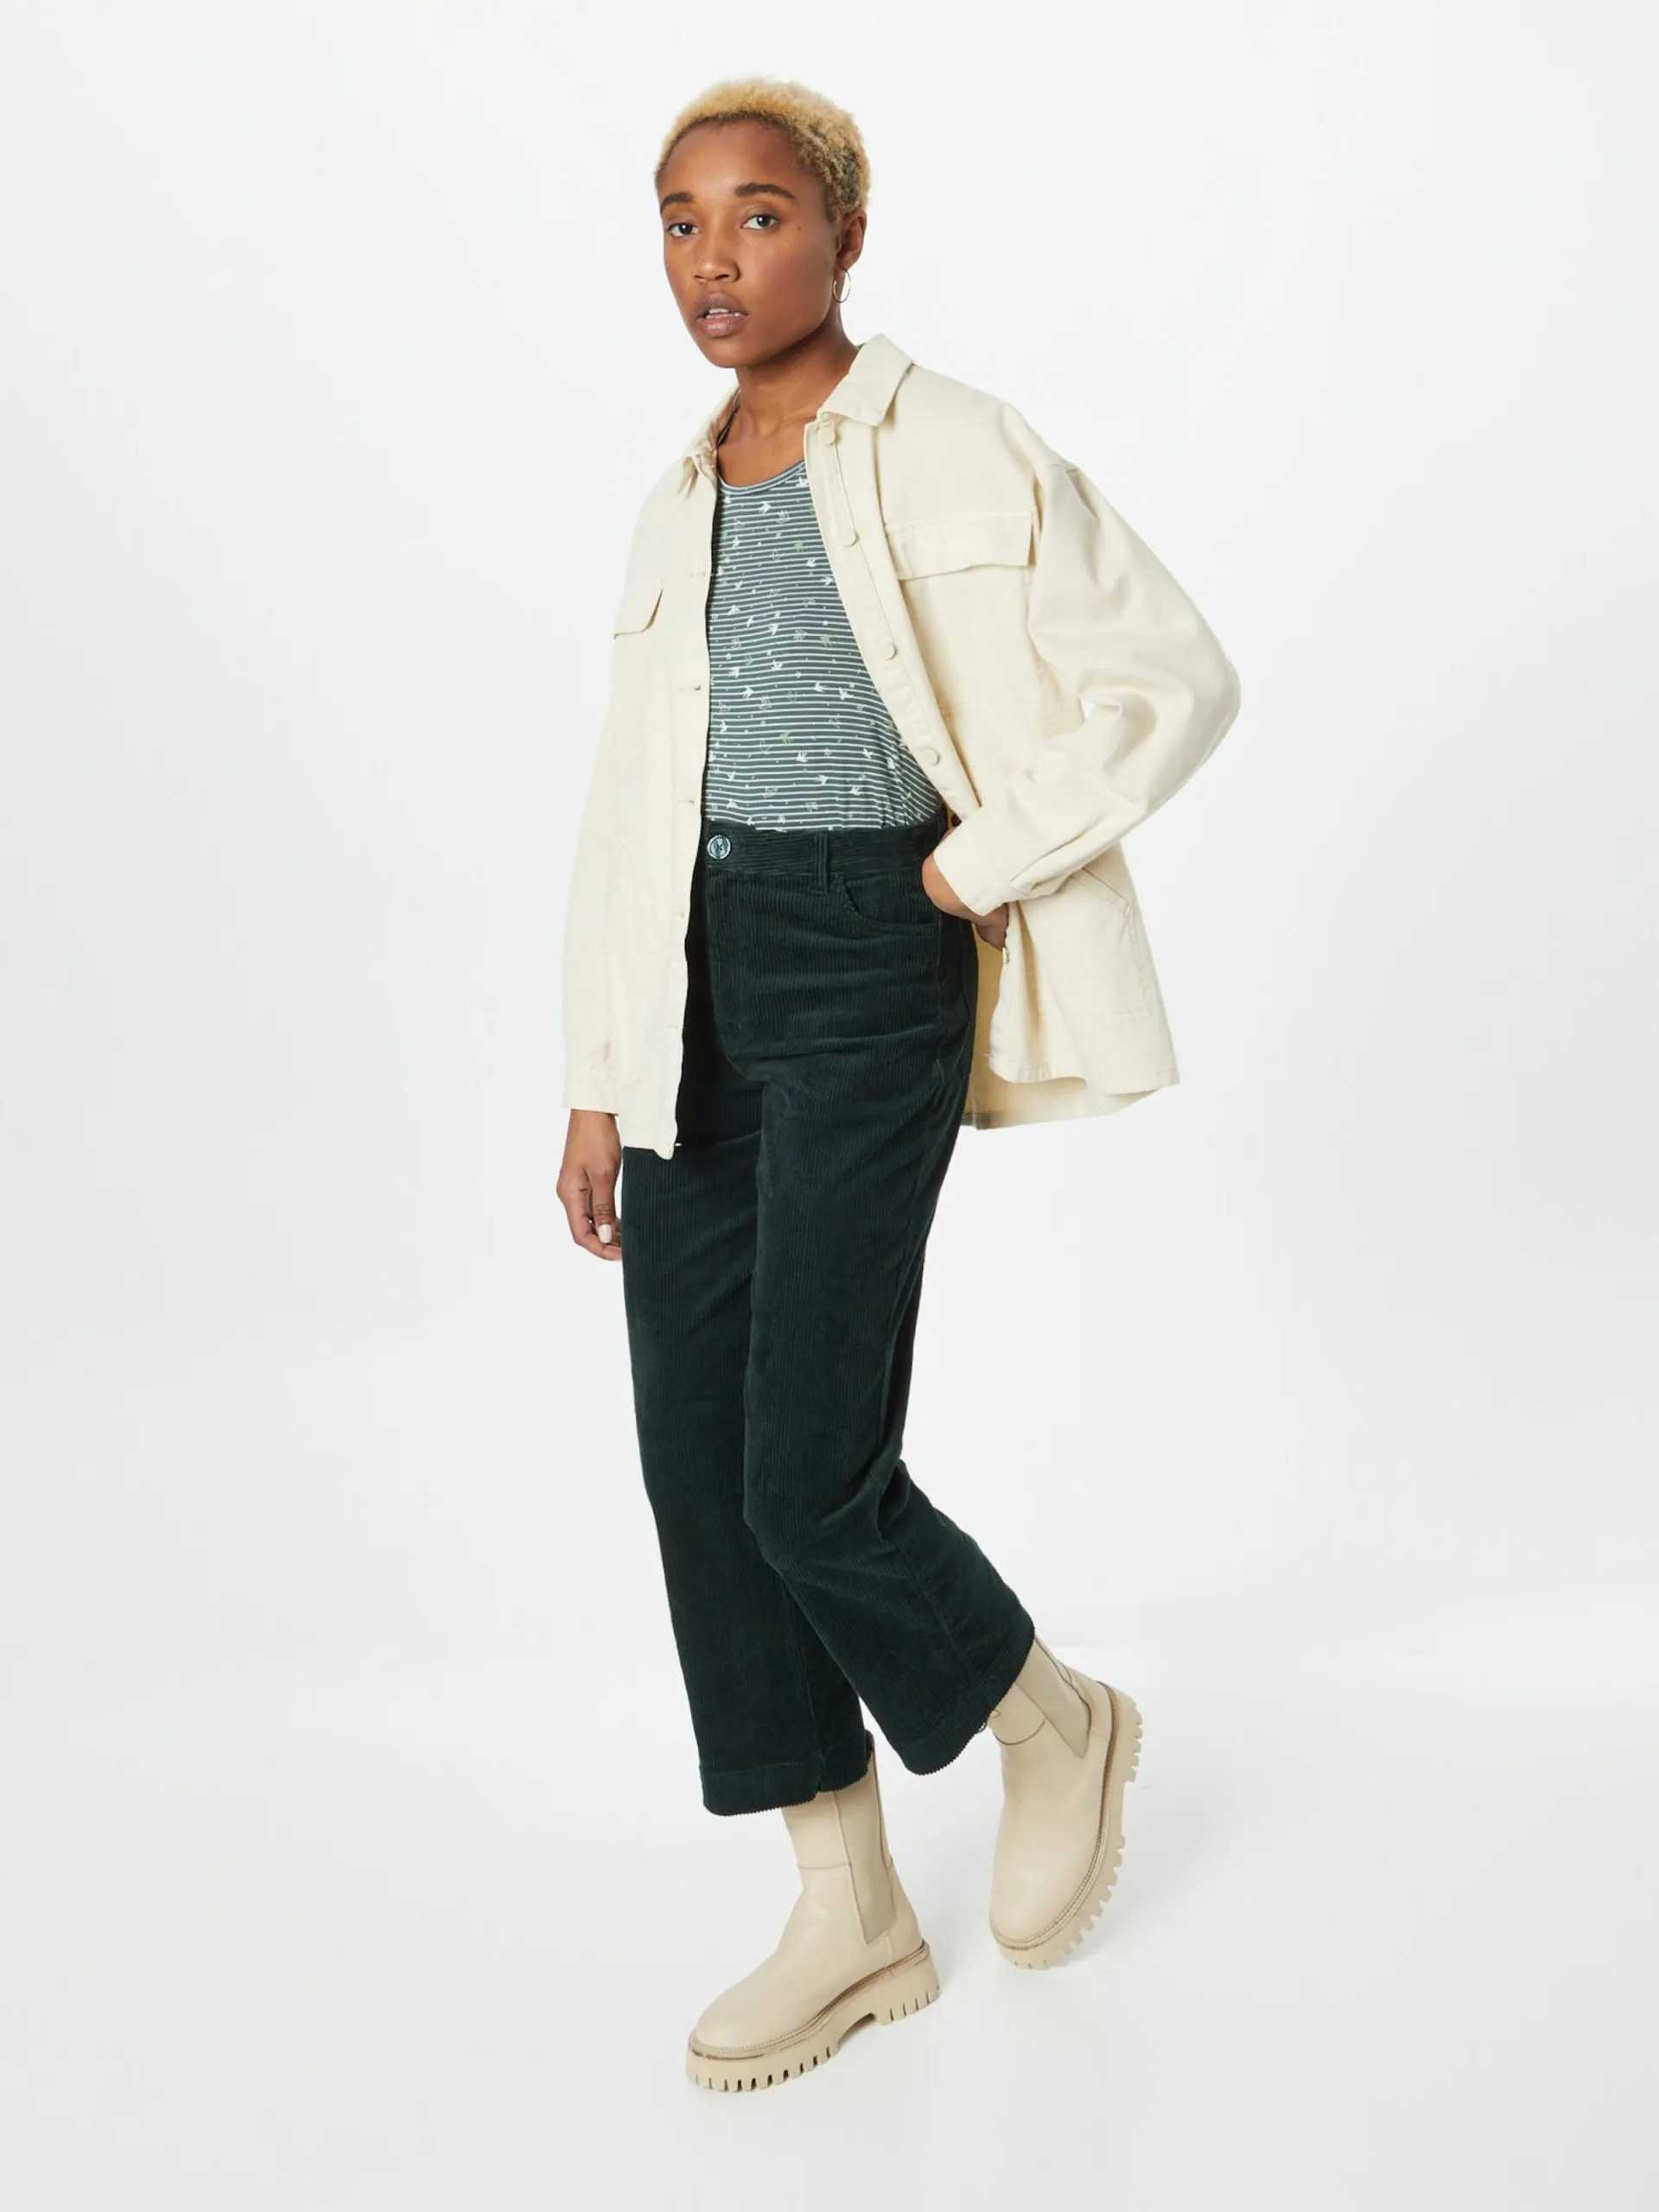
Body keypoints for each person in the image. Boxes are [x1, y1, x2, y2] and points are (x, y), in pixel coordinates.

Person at [556, 75, 1241, 2093]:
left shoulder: (958, 442)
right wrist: (598, 1068)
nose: (714, 259)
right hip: (691, 979)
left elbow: (1174, 674)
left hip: (872, 958)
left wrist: (973, 863)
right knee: (702, 1466)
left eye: (759, 215)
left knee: (809, 1472)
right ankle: (847, 1904)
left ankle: (1050, 1717)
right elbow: (627, 807)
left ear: (847, 233)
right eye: (680, 221)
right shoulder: (673, 498)